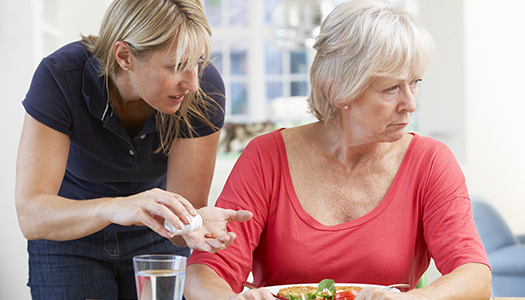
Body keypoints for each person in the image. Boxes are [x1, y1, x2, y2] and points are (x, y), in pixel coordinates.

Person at [184, 0, 492, 299]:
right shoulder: (266, 157)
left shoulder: (431, 162)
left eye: (415, 82)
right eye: (391, 88)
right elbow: (206, 272)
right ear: (338, 90)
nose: (410, 104)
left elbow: (475, 275)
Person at [15, 0, 252, 299]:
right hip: (69, 236)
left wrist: (195, 223)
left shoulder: (204, 88)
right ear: (125, 56)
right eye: (177, 66)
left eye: (198, 61)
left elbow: (181, 233)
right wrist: (115, 207)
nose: (193, 83)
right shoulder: (61, 76)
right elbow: (32, 216)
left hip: (156, 235)